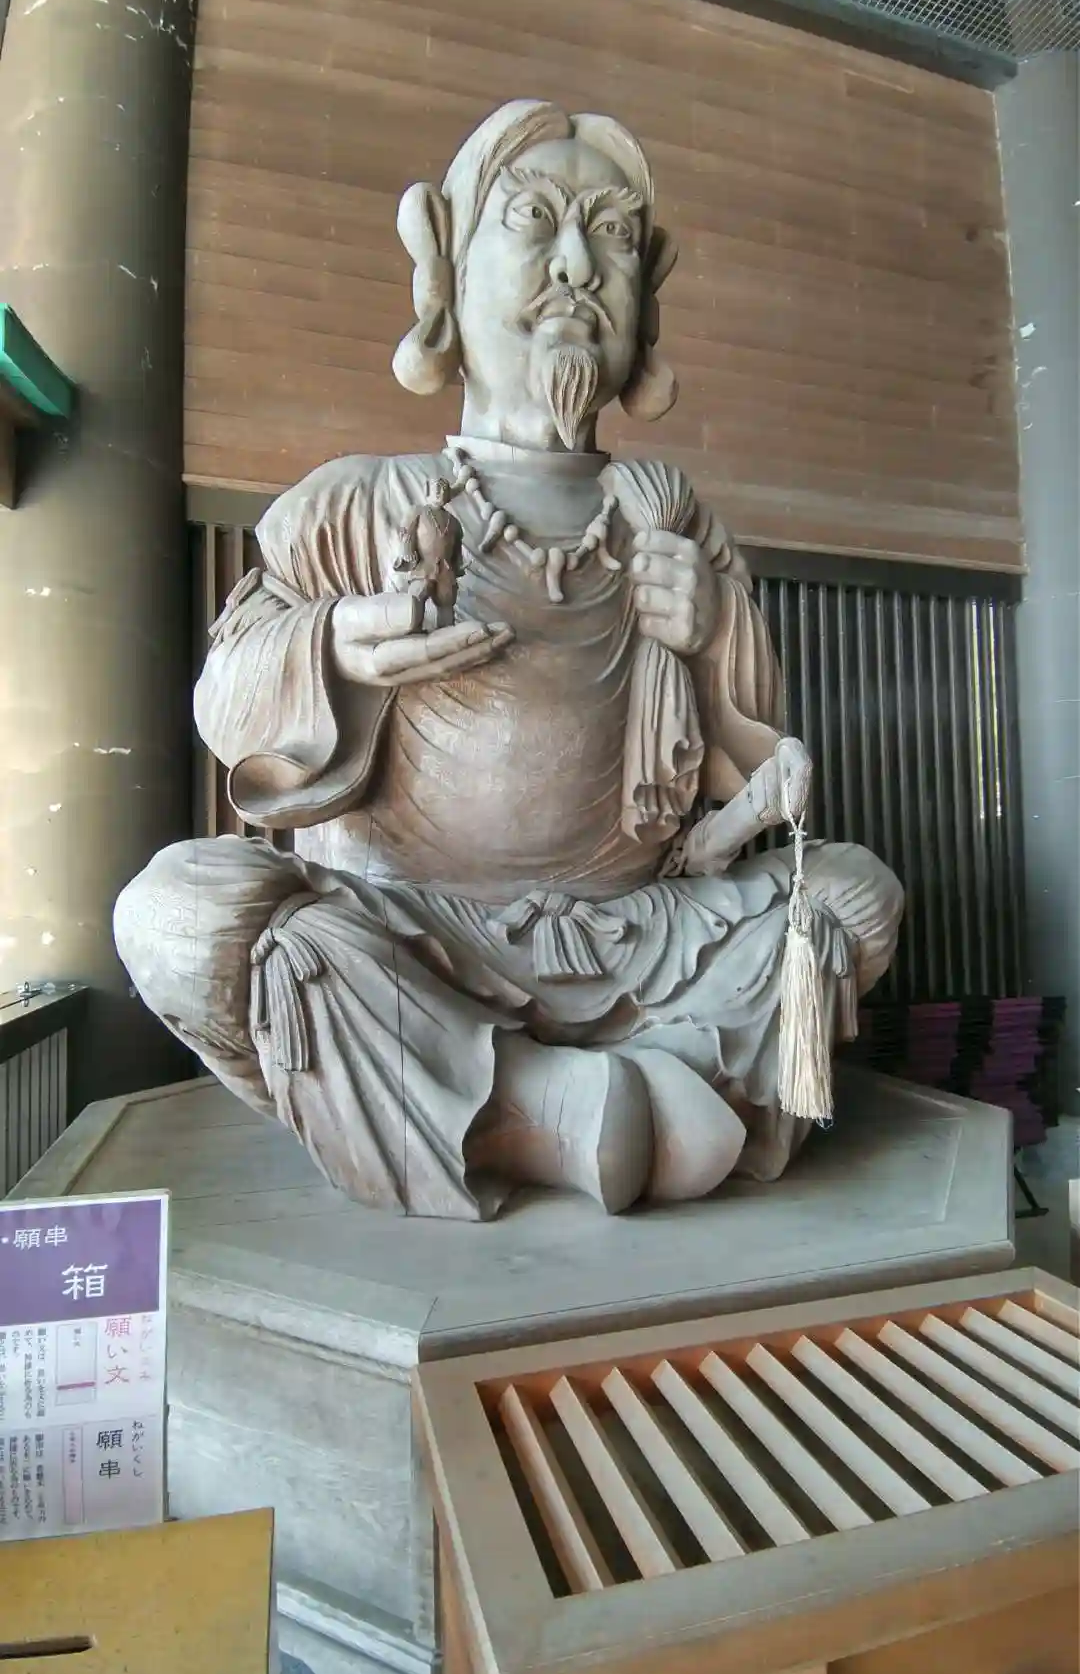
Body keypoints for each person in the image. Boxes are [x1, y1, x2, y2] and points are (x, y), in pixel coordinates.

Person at [114, 100, 903, 1220]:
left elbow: (749, 776)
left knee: (855, 898)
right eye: (534, 220)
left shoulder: (669, 513)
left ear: (648, 298)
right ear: (443, 263)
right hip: (414, 940)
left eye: (614, 235)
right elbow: (225, 704)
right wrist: (333, 647)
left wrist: (714, 632)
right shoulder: (353, 506)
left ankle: (545, 1098)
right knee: (177, 915)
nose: (578, 266)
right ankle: (539, 1110)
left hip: (641, 937)